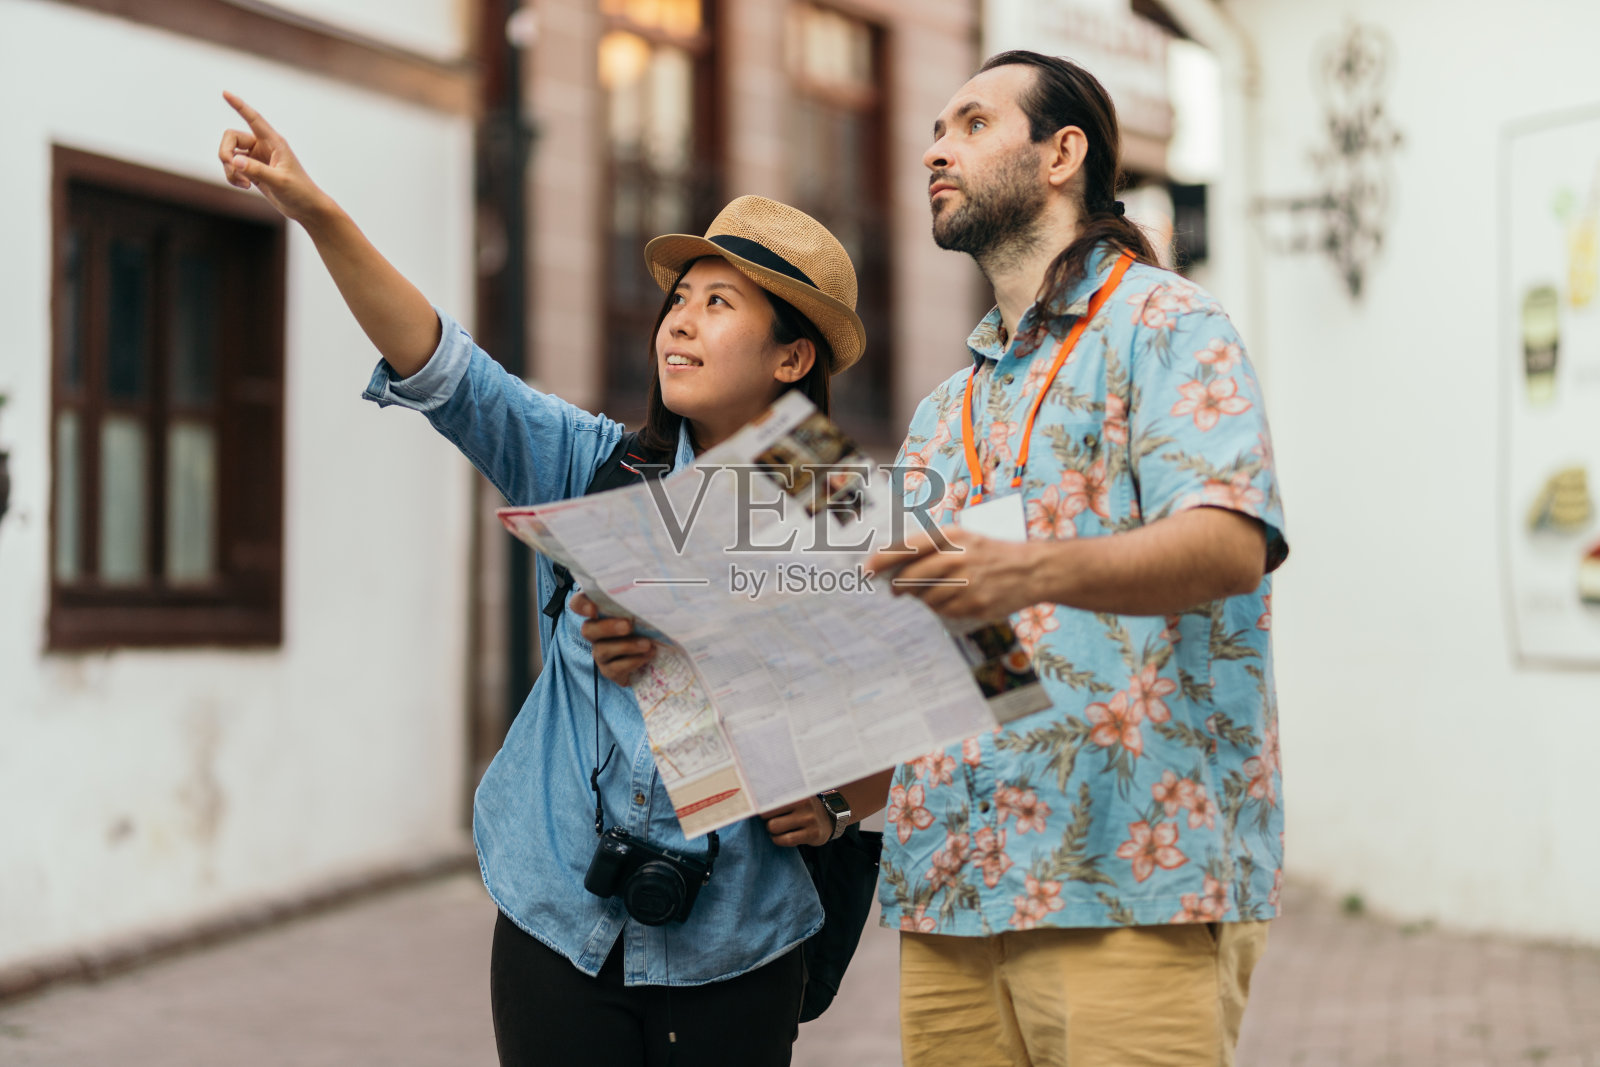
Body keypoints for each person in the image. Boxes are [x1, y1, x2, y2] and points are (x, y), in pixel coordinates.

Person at [217, 92, 879, 1066]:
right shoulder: (589, 467)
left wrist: (828, 805)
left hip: (740, 938)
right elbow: (444, 366)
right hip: (559, 916)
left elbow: (911, 721)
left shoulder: (846, 524)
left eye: (719, 303)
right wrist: (319, 212)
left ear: (792, 353)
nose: (680, 325)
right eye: (679, 299)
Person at [859, 51, 1290, 1067]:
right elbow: (940, 658)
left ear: (1062, 153)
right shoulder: (940, 411)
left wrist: (1031, 569)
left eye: (969, 123)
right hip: (953, 889)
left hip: (1130, 879)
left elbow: (1231, 542)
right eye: (933, 128)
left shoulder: (1168, 322)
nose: (933, 147)